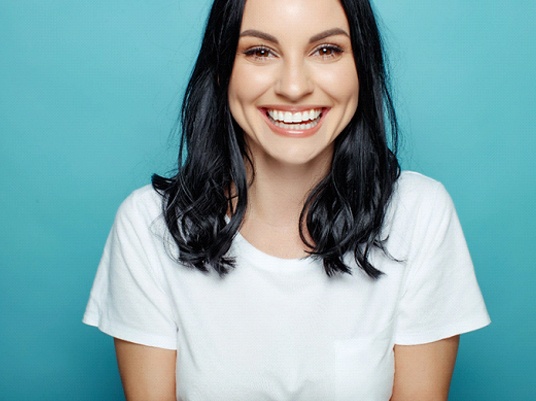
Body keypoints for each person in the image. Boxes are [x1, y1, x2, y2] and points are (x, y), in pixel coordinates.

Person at [83, 0, 490, 399]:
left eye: (326, 50)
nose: (294, 87)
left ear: (361, 66)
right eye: (260, 51)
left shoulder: (418, 214)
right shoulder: (150, 225)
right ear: (223, 69)